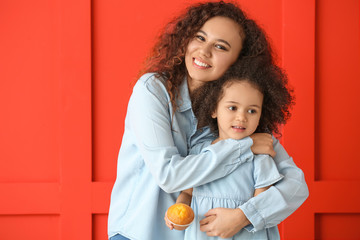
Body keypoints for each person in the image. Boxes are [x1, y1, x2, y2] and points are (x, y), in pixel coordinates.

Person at [108, 1, 308, 240]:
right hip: (138, 232)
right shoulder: (152, 90)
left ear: (239, 61)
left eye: (221, 46)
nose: (204, 51)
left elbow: (294, 184)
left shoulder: (238, 114)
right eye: (200, 38)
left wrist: (244, 216)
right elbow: (169, 176)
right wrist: (244, 147)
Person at [165, 57, 294, 239]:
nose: (242, 117)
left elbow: (260, 201)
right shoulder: (199, 151)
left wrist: (239, 218)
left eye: (252, 111)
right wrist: (179, 211)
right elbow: (187, 192)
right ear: (214, 109)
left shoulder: (259, 156)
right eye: (232, 107)